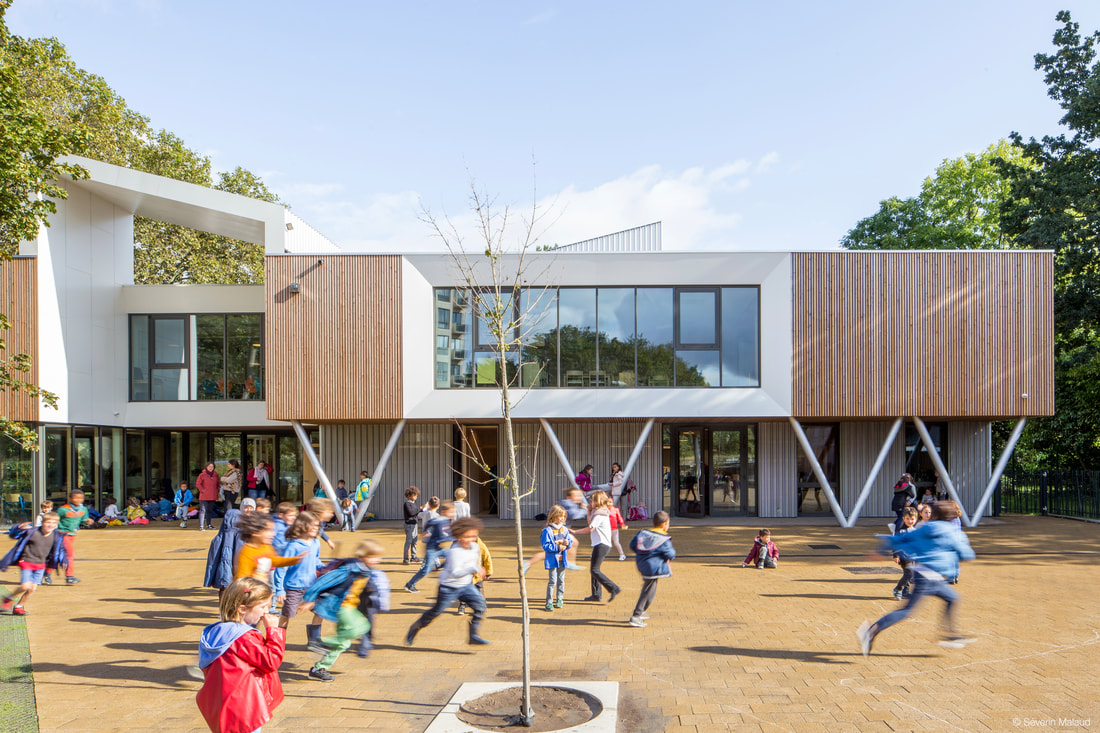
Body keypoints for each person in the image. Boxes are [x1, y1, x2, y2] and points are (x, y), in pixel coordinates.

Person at [857, 502, 977, 657]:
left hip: (924, 573)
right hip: (931, 577)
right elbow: (967, 554)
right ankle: (870, 631)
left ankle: (950, 634)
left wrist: (880, 550)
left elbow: (902, 538)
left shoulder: (927, 527)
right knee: (907, 610)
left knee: (952, 598)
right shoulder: (951, 530)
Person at [196, 577, 285, 733]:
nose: (266, 612)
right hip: (245, 705)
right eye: (263, 607)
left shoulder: (216, 631)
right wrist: (273, 631)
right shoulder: (245, 638)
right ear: (242, 609)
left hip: (225, 703)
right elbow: (271, 661)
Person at [300, 538, 385, 681]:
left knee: (344, 642)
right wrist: (309, 599)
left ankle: (318, 669)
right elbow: (324, 581)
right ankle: (321, 643)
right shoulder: (349, 568)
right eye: (373, 556)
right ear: (363, 556)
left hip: (350, 607)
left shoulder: (366, 570)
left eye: (378, 556)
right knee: (362, 626)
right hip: (340, 606)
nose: (378, 560)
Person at [405, 517, 490, 647]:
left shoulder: (475, 547)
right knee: (436, 611)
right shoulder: (454, 551)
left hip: (466, 585)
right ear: (458, 536)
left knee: (480, 607)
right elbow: (455, 572)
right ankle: (416, 627)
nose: (471, 539)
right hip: (448, 587)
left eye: (473, 536)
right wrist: (474, 568)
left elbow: (472, 564)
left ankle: (473, 635)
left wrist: (479, 570)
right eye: (467, 536)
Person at [0, 512, 66, 615]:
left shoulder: (56, 536)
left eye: (54, 523)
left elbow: (61, 550)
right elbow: (13, 535)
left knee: (32, 589)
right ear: (42, 522)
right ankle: (8, 598)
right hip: (27, 561)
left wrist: (64, 560)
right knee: (25, 586)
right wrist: (18, 527)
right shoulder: (32, 532)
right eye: (48, 522)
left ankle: (18, 607)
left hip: (41, 565)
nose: (50, 525)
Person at [628, 510, 675, 628]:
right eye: (668, 523)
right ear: (664, 524)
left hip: (642, 564)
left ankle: (642, 611)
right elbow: (671, 554)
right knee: (648, 590)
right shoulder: (663, 539)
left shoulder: (642, 533)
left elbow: (632, 545)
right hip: (653, 567)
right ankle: (636, 615)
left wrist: (642, 555)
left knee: (651, 587)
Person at [234, 512, 307, 587]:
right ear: (255, 532)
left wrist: (294, 560)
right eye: (268, 530)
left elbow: (275, 560)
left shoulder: (266, 547)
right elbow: (242, 579)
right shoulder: (246, 553)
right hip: (251, 591)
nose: (273, 534)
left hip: (263, 589)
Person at [572, 491, 621, 603]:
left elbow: (590, 528)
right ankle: (596, 595)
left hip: (602, 544)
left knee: (594, 570)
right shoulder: (598, 512)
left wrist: (575, 532)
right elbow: (590, 521)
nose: (590, 502)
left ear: (597, 501)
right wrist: (589, 511)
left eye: (592, 500)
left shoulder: (599, 515)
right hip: (600, 544)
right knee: (594, 570)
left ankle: (613, 587)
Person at [279, 512, 324, 633]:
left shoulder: (316, 542)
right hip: (293, 587)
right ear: (302, 525)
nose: (315, 528)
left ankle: (314, 639)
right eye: (312, 525)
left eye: (317, 525)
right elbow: (281, 567)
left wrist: (326, 568)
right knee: (287, 614)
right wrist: (279, 590)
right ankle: (278, 639)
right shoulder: (293, 546)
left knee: (321, 610)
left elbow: (315, 560)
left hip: (311, 586)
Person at [203, 499, 254, 600]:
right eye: (246, 508)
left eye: (251, 508)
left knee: (226, 589)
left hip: (228, 574)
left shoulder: (220, 537)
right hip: (238, 572)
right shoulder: (239, 534)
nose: (248, 510)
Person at [404, 501, 455, 593]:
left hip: (438, 548)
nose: (453, 514)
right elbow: (433, 526)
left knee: (451, 555)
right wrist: (425, 531)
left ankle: (440, 566)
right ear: (444, 511)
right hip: (431, 548)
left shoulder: (446, 521)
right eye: (451, 512)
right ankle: (410, 585)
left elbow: (446, 532)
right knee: (426, 570)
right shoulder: (439, 520)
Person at [540, 505, 572, 612]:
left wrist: (568, 543)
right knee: (552, 581)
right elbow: (545, 546)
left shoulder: (565, 530)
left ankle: (559, 599)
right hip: (552, 560)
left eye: (563, 516)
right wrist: (558, 547)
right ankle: (549, 602)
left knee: (561, 580)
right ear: (553, 516)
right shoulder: (547, 530)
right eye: (560, 516)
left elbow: (569, 542)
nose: (562, 518)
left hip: (562, 560)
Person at [57, 490, 91, 585]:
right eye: (76, 498)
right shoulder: (63, 509)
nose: (78, 500)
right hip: (62, 534)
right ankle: (69, 576)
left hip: (72, 534)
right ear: (70, 498)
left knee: (58, 554)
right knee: (70, 554)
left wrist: (87, 522)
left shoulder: (83, 509)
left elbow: (83, 520)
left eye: (81, 498)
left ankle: (47, 572)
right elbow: (54, 519)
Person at [891, 506, 919, 600]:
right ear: (903, 518)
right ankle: (898, 588)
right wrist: (895, 555)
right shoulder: (901, 531)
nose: (910, 521)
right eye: (907, 519)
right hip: (903, 556)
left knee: (908, 574)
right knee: (909, 573)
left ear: (916, 519)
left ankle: (905, 592)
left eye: (912, 519)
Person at [196, 462, 221, 531]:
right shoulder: (202, 475)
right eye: (209, 466)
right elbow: (198, 484)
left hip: (212, 495)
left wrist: (217, 490)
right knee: (203, 510)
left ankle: (208, 524)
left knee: (209, 510)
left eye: (212, 466)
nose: (211, 468)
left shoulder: (216, 475)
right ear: (206, 467)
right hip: (204, 496)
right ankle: (201, 526)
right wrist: (202, 490)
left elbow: (218, 484)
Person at [402, 486, 421, 565]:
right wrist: (420, 509)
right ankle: (406, 558)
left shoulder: (413, 504)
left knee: (414, 541)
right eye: (415, 495)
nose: (416, 497)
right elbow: (411, 513)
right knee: (409, 541)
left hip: (414, 524)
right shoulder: (407, 504)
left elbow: (415, 512)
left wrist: (421, 509)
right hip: (409, 525)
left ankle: (414, 556)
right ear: (410, 496)